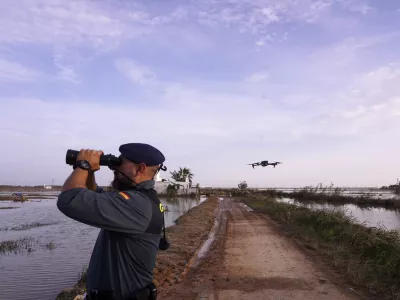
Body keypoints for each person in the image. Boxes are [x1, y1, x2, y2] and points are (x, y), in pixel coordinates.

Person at [57, 143, 167, 300]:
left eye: (120, 162)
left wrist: (83, 165)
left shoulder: (137, 204)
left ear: (140, 169)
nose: (114, 167)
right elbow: (94, 194)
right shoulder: (144, 199)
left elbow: (69, 200)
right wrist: (90, 173)